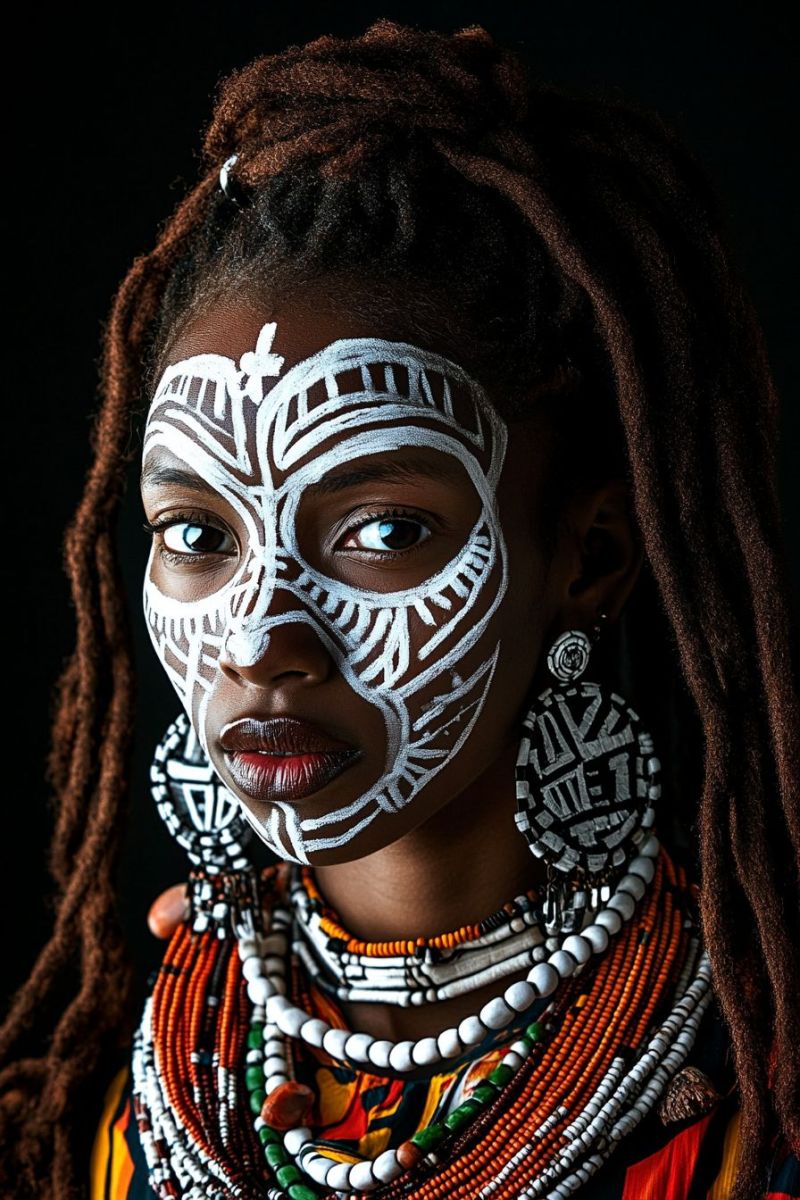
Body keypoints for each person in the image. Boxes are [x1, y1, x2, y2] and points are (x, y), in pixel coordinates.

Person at [0, 17, 797, 1200]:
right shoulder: (111, 1083)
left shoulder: (745, 1087)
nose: (261, 639)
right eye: (198, 536)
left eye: (382, 532)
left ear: (588, 561)